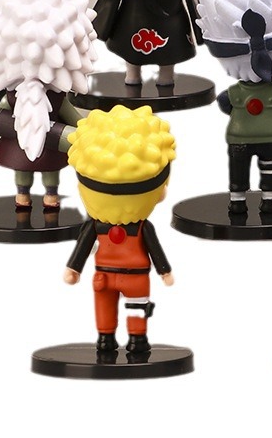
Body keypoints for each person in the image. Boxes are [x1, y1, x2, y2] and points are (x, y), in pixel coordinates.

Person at [0, 0, 97, 210]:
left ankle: (51, 195)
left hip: (52, 144)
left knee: (50, 171)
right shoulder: (13, 95)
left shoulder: (57, 97)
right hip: (17, 144)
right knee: (22, 170)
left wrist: (88, 133)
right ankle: (23, 195)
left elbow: (73, 117)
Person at [64, 105, 176, 356]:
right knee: (104, 308)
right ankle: (106, 338)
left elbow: (155, 249)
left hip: (134, 276)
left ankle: (137, 338)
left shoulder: (142, 227)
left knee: (137, 308)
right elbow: (83, 247)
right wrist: (74, 268)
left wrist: (164, 270)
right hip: (105, 276)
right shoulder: (95, 225)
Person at [196, 0, 272, 213]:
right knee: (268, 168)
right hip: (271, 137)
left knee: (239, 170)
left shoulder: (233, 93)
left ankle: (239, 202)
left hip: (239, 137)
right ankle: (268, 201)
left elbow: (224, 104)